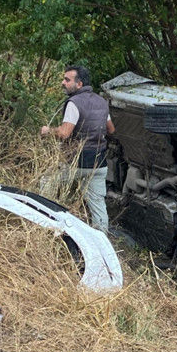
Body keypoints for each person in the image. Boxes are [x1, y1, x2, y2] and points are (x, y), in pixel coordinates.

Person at [40, 64, 115, 231]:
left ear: (79, 84)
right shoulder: (101, 102)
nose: (63, 82)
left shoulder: (74, 103)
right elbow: (111, 129)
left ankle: (46, 227)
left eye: (67, 80)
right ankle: (102, 240)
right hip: (98, 163)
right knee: (98, 204)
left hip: (75, 162)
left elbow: (65, 133)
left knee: (46, 183)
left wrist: (48, 131)